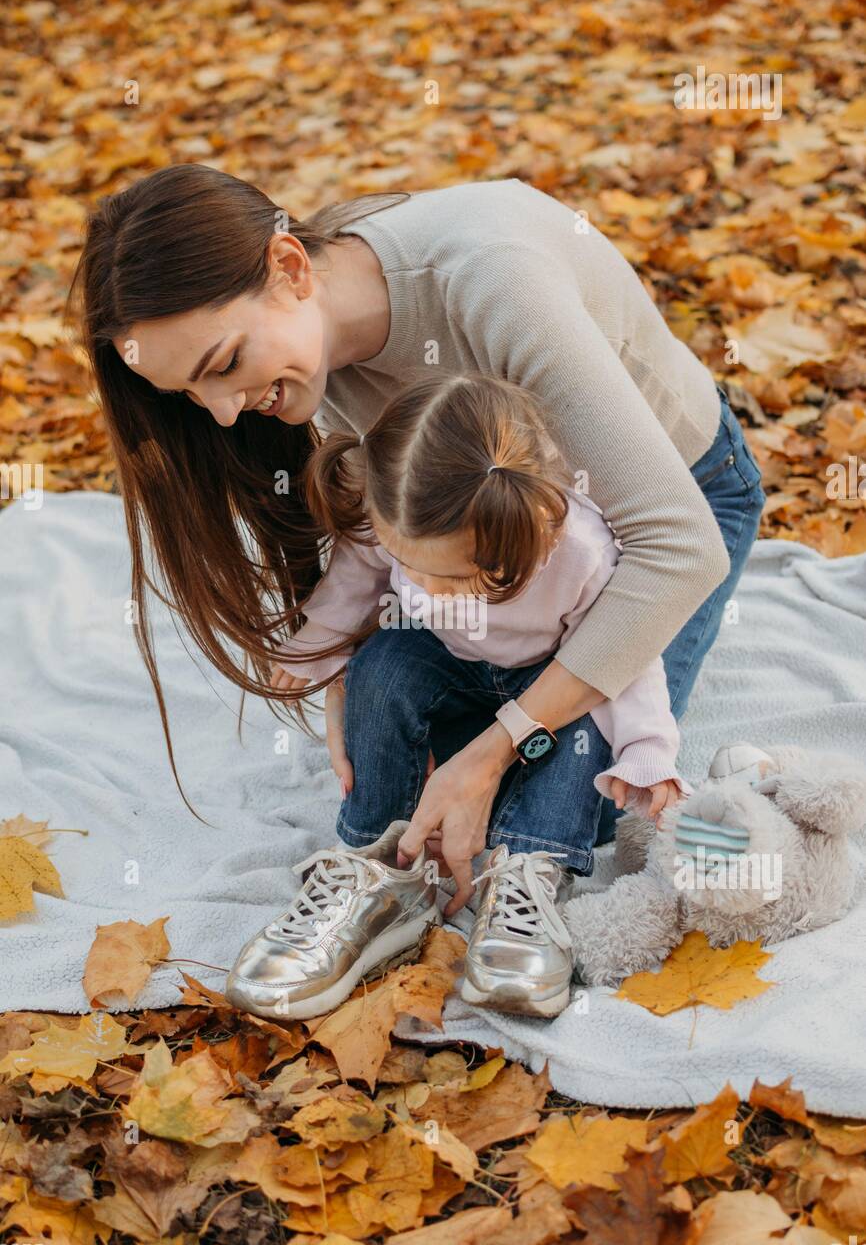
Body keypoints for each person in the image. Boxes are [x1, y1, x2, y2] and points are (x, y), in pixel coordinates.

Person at [68, 164, 766, 905]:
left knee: (576, 783)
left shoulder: (495, 287)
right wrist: (344, 665)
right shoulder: (314, 352)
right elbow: (383, 536)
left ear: (290, 266)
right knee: (424, 765)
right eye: (190, 393)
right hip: (506, 560)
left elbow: (679, 547)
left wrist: (498, 747)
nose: (223, 413)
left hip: (670, 510)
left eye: (226, 365)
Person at [230, 372, 693, 1020]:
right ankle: (383, 857)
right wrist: (319, 645)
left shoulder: (580, 554)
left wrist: (648, 750)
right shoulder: (390, 509)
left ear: (521, 535)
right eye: (405, 561)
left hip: (548, 683)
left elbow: (625, 661)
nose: (416, 582)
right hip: (450, 662)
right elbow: (356, 579)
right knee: (382, 667)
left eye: (443, 574)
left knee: (588, 730)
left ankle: (529, 872)